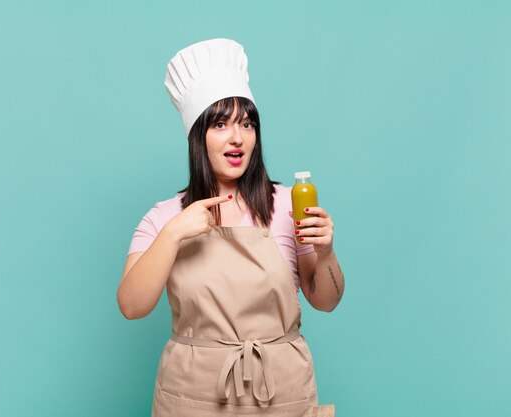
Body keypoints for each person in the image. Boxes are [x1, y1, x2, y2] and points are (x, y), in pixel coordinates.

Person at [117, 38, 344, 417]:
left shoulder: (288, 205)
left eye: (247, 123)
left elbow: (327, 301)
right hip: (191, 397)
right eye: (220, 124)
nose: (237, 137)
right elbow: (131, 306)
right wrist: (174, 233)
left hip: (280, 392)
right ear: (198, 137)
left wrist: (327, 251)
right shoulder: (164, 216)